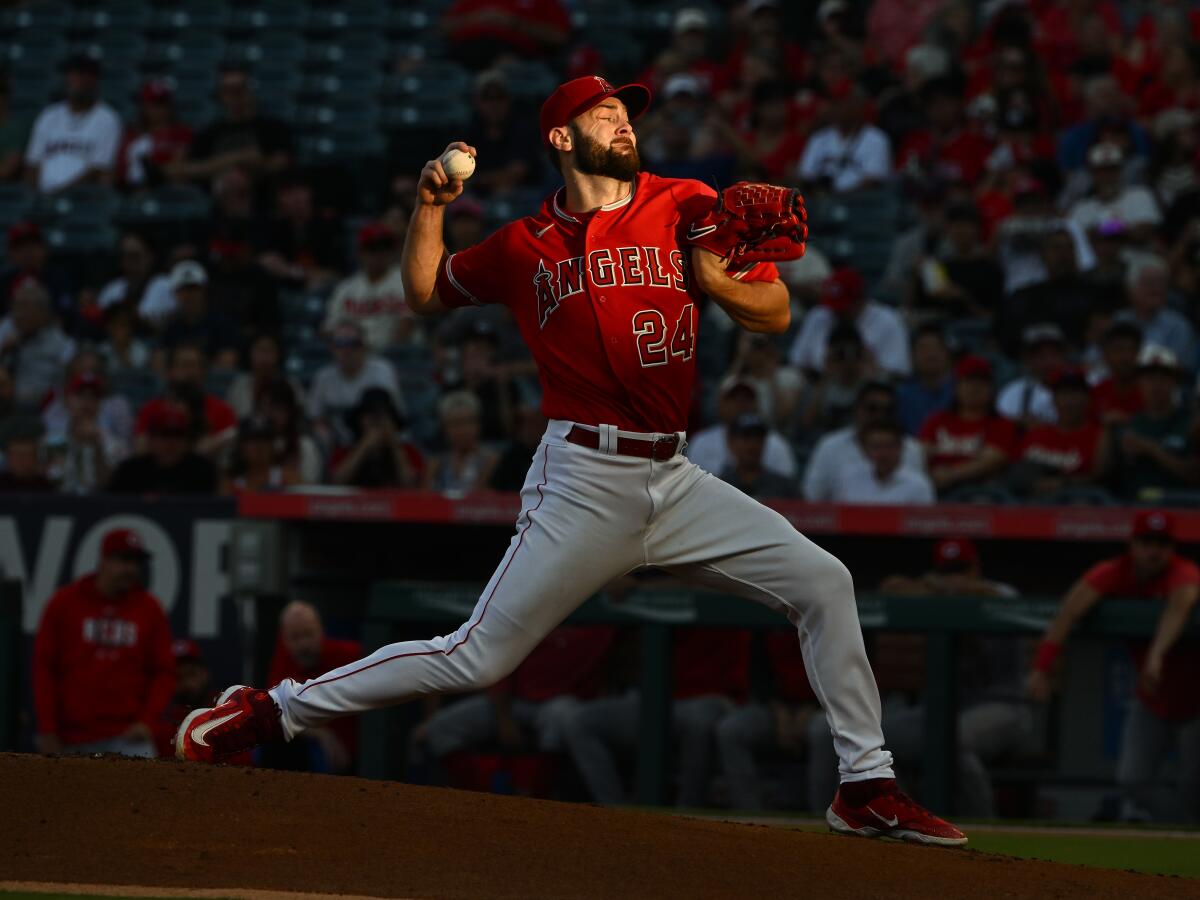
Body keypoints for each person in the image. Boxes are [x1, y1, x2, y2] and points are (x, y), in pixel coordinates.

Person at [177, 76, 965, 845]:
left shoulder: (686, 202)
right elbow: (425, 293)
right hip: (584, 479)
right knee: (476, 657)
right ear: (562, 137)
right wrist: (429, 207)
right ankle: (269, 710)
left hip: (676, 476)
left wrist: (718, 278)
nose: (625, 124)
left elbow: (776, 311)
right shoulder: (523, 245)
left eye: (627, 114)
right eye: (606, 114)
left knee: (825, 582)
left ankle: (865, 786)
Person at [1028, 511, 1200, 823]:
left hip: (1194, 699)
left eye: (1162, 543)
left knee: (1194, 786)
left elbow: (1183, 601)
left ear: (1173, 547)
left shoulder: (1183, 572)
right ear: (1132, 544)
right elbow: (1068, 612)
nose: (1154, 550)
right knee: (1133, 779)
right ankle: (1185, 830)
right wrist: (1043, 666)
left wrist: (1156, 654)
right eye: (1147, 541)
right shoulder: (1114, 572)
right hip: (1152, 698)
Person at [864, 538, 1034, 818]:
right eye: (947, 572)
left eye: (961, 570)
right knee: (870, 739)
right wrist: (936, 588)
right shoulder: (934, 592)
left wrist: (946, 589)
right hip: (942, 709)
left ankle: (985, 826)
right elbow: (891, 587)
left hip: (1003, 707)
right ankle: (898, 818)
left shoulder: (1001, 594)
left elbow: (996, 596)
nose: (955, 579)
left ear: (975, 568)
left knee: (952, 739)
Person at [564, 629, 750, 807]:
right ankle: (614, 813)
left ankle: (686, 813)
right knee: (581, 721)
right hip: (653, 695)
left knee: (697, 720)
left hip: (712, 696)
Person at [33, 528, 174, 757]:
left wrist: (147, 721)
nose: (131, 569)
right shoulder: (64, 603)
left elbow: (164, 671)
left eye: (136, 562)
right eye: (123, 560)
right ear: (103, 560)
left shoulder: (149, 608)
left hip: (127, 737)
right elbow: (44, 669)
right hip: (71, 738)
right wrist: (48, 729)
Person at [412, 626, 617, 776]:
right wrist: (504, 718)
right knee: (441, 727)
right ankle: (472, 799)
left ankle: (543, 803)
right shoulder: (537, 602)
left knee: (562, 717)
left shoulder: (599, 612)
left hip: (560, 704)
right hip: (513, 701)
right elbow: (500, 669)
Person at [715, 630, 819, 811]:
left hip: (825, 708)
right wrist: (779, 713)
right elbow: (758, 676)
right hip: (772, 708)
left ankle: (824, 817)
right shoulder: (770, 615)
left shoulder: (829, 616)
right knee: (730, 730)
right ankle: (750, 817)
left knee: (823, 732)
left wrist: (813, 707)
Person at [265, 601, 363, 774]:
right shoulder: (283, 659)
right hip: (315, 750)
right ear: (284, 640)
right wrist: (320, 733)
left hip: (353, 751)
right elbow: (273, 712)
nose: (303, 644)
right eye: (295, 637)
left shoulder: (349, 655)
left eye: (308, 634)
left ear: (321, 631)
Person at [1099, 344, 1198, 500]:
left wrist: (1151, 449)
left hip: (1182, 508)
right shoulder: (1130, 424)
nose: (1156, 385)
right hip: (1133, 508)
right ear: (1139, 382)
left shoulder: (1190, 423)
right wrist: (1107, 430)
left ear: (1175, 383)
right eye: (1150, 378)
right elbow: (1101, 474)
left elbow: (1194, 475)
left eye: (1163, 378)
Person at [803, 382, 925, 502]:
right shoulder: (830, 446)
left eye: (887, 410)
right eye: (872, 408)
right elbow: (811, 497)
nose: (880, 415)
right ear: (857, 409)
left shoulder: (912, 448)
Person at [177, 64, 293, 186]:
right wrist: (239, 158)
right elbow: (180, 171)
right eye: (228, 91)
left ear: (250, 91)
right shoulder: (208, 133)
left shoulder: (273, 128)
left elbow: (281, 164)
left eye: (240, 89)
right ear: (221, 95)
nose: (235, 96)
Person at [919, 355, 1017, 496]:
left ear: (991, 388)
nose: (974, 388)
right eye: (968, 382)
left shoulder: (1001, 424)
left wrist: (951, 474)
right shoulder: (937, 420)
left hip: (980, 492)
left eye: (981, 383)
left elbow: (990, 461)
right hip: (935, 487)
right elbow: (921, 453)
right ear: (956, 387)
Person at [24, 55, 121, 193]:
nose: (76, 80)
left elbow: (99, 170)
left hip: (82, 199)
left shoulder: (107, 119)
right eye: (73, 74)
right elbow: (32, 164)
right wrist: (35, 197)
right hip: (43, 198)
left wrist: (62, 193)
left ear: (94, 80)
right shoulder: (48, 115)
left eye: (82, 74)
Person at [789, 268, 910, 378]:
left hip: (871, 385)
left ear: (861, 300)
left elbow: (897, 371)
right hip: (820, 384)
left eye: (843, 307)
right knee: (789, 378)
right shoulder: (819, 315)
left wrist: (866, 366)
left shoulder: (888, 320)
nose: (837, 311)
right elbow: (797, 362)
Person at [307, 321, 404, 451]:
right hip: (338, 446)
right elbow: (316, 418)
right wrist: (326, 440)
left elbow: (392, 417)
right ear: (332, 348)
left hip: (378, 444)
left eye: (354, 343)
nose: (347, 350)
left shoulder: (383, 371)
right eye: (340, 343)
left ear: (364, 346)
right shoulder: (323, 377)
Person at [1012, 366, 1103, 499]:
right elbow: (1014, 473)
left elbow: (1102, 479)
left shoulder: (1100, 436)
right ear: (1054, 399)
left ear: (1088, 398)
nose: (1070, 401)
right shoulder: (1035, 434)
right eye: (1064, 394)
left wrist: (1064, 483)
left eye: (1076, 393)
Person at [322, 223, 413, 353]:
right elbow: (329, 329)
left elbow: (407, 325)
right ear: (361, 252)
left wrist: (390, 354)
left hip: (395, 358)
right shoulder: (346, 288)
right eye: (372, 248)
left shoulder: (405, 282)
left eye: (385, 248)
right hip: (354, 358)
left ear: (392, 251)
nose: (379, 254)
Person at [136, 343, 238, 458]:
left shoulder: (223, 410)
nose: (190, 372)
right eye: (183, 365)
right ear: (169, 372)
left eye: (195, 365)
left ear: (203, 372)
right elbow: (141, 451)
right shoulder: (150, 410)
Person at [687, 377, 798, 480]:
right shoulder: (701, 443)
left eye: (747, 398)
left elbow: (787, 493)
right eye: (733, 398)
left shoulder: (777, 445)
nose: (741, 404)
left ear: (757, 404)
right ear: (720, 404)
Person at [796, 82, 891, 193]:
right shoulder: (818, 138)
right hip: (821, 203)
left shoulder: (877, 140)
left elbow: (873, 182)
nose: (841, 107)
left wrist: (837, 196)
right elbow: (805, 176)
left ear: (859, 104)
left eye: (847, 101)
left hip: (860, 205)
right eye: (836, 102)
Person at [107, 404, 218, 495]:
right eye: (164, 435)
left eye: (177, 436)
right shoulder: (130, 472)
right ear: (151, 439)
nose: (171, 443)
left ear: (186, 441)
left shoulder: (202, 472)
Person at [0, 278, 75, 409]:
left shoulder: (62, 344)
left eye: (25, 307)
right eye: (15, 306)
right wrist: (3, 352)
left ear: (44, 312)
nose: (18, 314)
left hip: (41, 411)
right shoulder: (7, 328)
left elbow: (62, 389)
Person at [1068, 142, 1161, 245]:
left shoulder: (1140, 194)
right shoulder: (1080, 207)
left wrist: (1099, 229)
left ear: (1120, 171)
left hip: (1138, 258)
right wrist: (1119, 228)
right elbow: (1075, 241)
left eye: (1112, 170)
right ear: (1092, 173)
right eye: (1101, 170)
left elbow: (1143, 234)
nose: (1107, 176)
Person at [331, 387, 424, 489]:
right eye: (370, 415)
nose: (377, 422)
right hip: (353, 504)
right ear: (359, 420)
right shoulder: (343, 452)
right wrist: (364, 445)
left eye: (383, 416)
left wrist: (393, 443)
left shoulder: (409, 451)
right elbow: (337, 482)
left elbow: (411, 485)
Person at [53, 371, 129, 494]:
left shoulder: (115, 445)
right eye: (80, 395)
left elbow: (113, 487)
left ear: (100, 403)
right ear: (68, 400)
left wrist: (97, 448)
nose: (87, 402)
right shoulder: (53, 441)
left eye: (94, 396)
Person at [156, 260, 241, 369]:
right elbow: (158, 362)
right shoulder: (170, 325)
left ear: (204, 290)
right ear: (175, 293)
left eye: (194, 289)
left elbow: (228, 360)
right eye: (184, 290)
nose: (189, 295)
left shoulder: (222, 323)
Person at [829, 419, 934, 505]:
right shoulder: (847, 477)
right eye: (876, 447)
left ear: (900, 448)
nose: (883, 454)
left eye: (889, 446)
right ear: (865, 450)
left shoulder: (919, 485)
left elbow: (923, 526)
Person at [116, 79, 192, 190]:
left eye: (161, 103)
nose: (157, 109)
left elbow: (178, 168)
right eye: (152, 104)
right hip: (126, 191)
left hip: (163, 191)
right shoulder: (130, 134)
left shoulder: (181, 133)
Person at [1123, 257, 1195, 372]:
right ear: (1131, 289)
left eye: (1161, 283)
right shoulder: (1120, 321)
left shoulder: (1179, 326)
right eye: (1149, 283)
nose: (1156, 288)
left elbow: (1181, 366)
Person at [96, 231, 175, 328]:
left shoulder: (167, 286)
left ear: (150, 257)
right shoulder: (111, 290)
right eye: (126, 256)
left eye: (135, 256)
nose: (130, 262)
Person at [996, 323, 1068, 428]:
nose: (1048, 362)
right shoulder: (1012, 393)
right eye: (1040, 356)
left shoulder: (1082, 388)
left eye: (1053, 354)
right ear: (1026, 359)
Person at [425, 390, 498, 492]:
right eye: (455, 424)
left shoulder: (491, 461)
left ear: (477, 425)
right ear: (445, 428)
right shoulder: (436, 465)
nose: (462, 430)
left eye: (466, 422)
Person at [226, 333, 306, 420]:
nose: (264, 356)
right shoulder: (239, 385)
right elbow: (229, 419)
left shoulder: (291, 384)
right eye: (260, 350)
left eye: (269, 350)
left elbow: (300, 416)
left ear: (278, 354)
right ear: (250, 353)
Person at [717, 412, 797, 499]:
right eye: (746, 437)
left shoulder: (784, 487)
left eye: (758, 438)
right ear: (731, 442)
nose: (753, 445)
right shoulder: (718, 486)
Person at [895, 324, 954, 435]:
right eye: (923, 348)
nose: (931, 354)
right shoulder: (902, 396)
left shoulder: (962, 390)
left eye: (937, 347)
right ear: (912, 356)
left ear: (947, 353)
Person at [221, 414, 299, 494]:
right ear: (241, 447)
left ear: (273, 445)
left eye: (265, 440)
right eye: (253, 440)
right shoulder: (230, 485)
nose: (260, 446)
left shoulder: (289, 479)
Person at [1090, 319, 1144, 425]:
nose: (1125, 357)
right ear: (1105, 355)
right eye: (1118, 350)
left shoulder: (1151, 392)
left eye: (1131, 349)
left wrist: (1127, 421)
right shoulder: (1096, 393)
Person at [489, 404, 548, 492]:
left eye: (534, 423)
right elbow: (495, 488)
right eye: (525, 424)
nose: (529, 429)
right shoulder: (510, 455)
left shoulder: (548, 454)